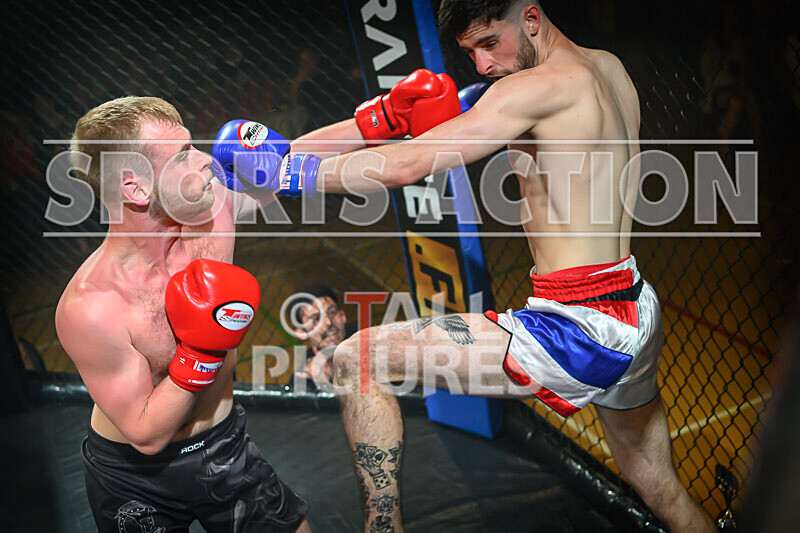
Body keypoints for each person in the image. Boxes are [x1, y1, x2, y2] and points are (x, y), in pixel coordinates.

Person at [213, 3, 716, 530]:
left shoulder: (526, 90)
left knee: (358, 361)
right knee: (664, 492)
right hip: (633, 304)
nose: (480, 64)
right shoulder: (606, 67)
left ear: (531, 17)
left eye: (489, 43)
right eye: (469, 52)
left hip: (578, 328)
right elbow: (438, 128)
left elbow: (405, 164)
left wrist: (288, 173)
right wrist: (379, 119)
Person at [55, 96, 311, 532]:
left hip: (225, 444)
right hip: (132, 477)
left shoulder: (209, 214)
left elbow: (300, 160)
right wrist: (204, 348)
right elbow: (146, 433)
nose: (206, 160)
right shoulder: (90, 306)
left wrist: (379, 120)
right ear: (136, 189)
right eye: (182, 155)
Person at [291, 285, 352, 388]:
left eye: (332, 313)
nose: (328, 322)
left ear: (342, 316)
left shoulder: (369, 342)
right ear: (302, 333)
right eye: (317, 319)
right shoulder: (304, 379)